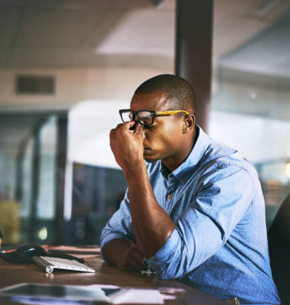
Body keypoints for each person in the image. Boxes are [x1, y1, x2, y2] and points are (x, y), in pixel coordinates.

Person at [100, 74, 280, 305]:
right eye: (133, 119)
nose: (135, 131)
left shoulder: (229, 174)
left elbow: (169, 261)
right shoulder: (153, 170)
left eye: (148, 120)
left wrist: (133, 167)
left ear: (187, 123)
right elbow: (111, 234)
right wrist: (126, 253)